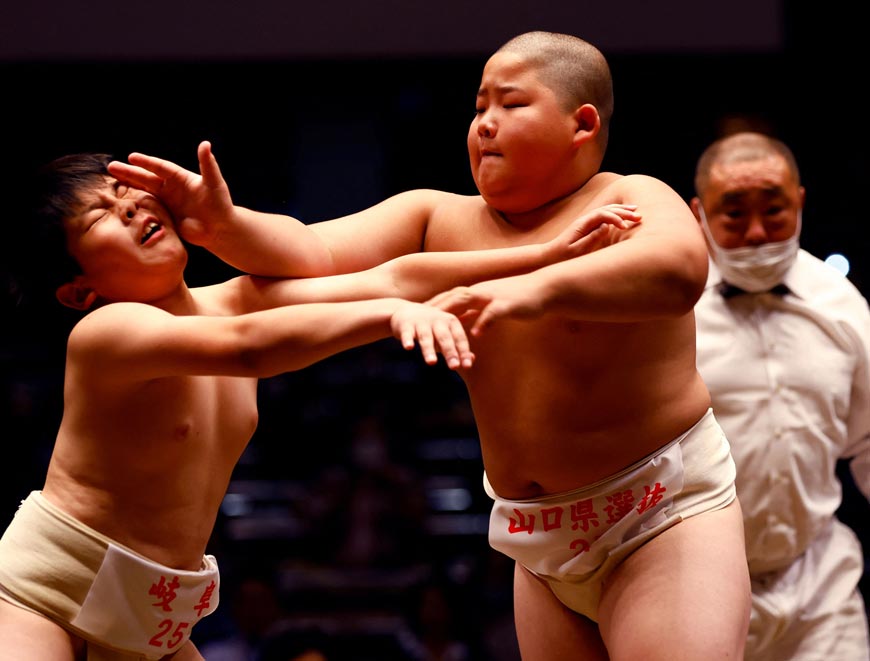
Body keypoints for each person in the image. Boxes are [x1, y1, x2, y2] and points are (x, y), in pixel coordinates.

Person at [110, 31, 752, 660]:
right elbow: (312, 254)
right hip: (538, 540)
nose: (485, 124)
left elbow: (676, 272)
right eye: (478, 108)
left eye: (511, 104)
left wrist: (530, 292)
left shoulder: (627, 198)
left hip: (658, 517)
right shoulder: (437, 218)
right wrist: (225, 225)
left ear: (581, 124)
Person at [0, 150, 628, 660]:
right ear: (78, 290)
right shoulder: (105, 336)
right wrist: (391, 317)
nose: (132, 206)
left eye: (129, 193)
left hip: (153, 611)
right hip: (42, 597)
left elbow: (393, 278)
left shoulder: (237, 299)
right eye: (101, 216)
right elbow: (249, 350)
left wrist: (547, 256)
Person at [690, 131, 870, 660]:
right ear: (699, 213)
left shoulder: (841, 305)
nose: (756, 232)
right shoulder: (663, 309)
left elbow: (868, 440)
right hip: (691, 584)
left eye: (774, 211)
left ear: (800, 201)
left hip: (818, 581)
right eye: (733, 214)